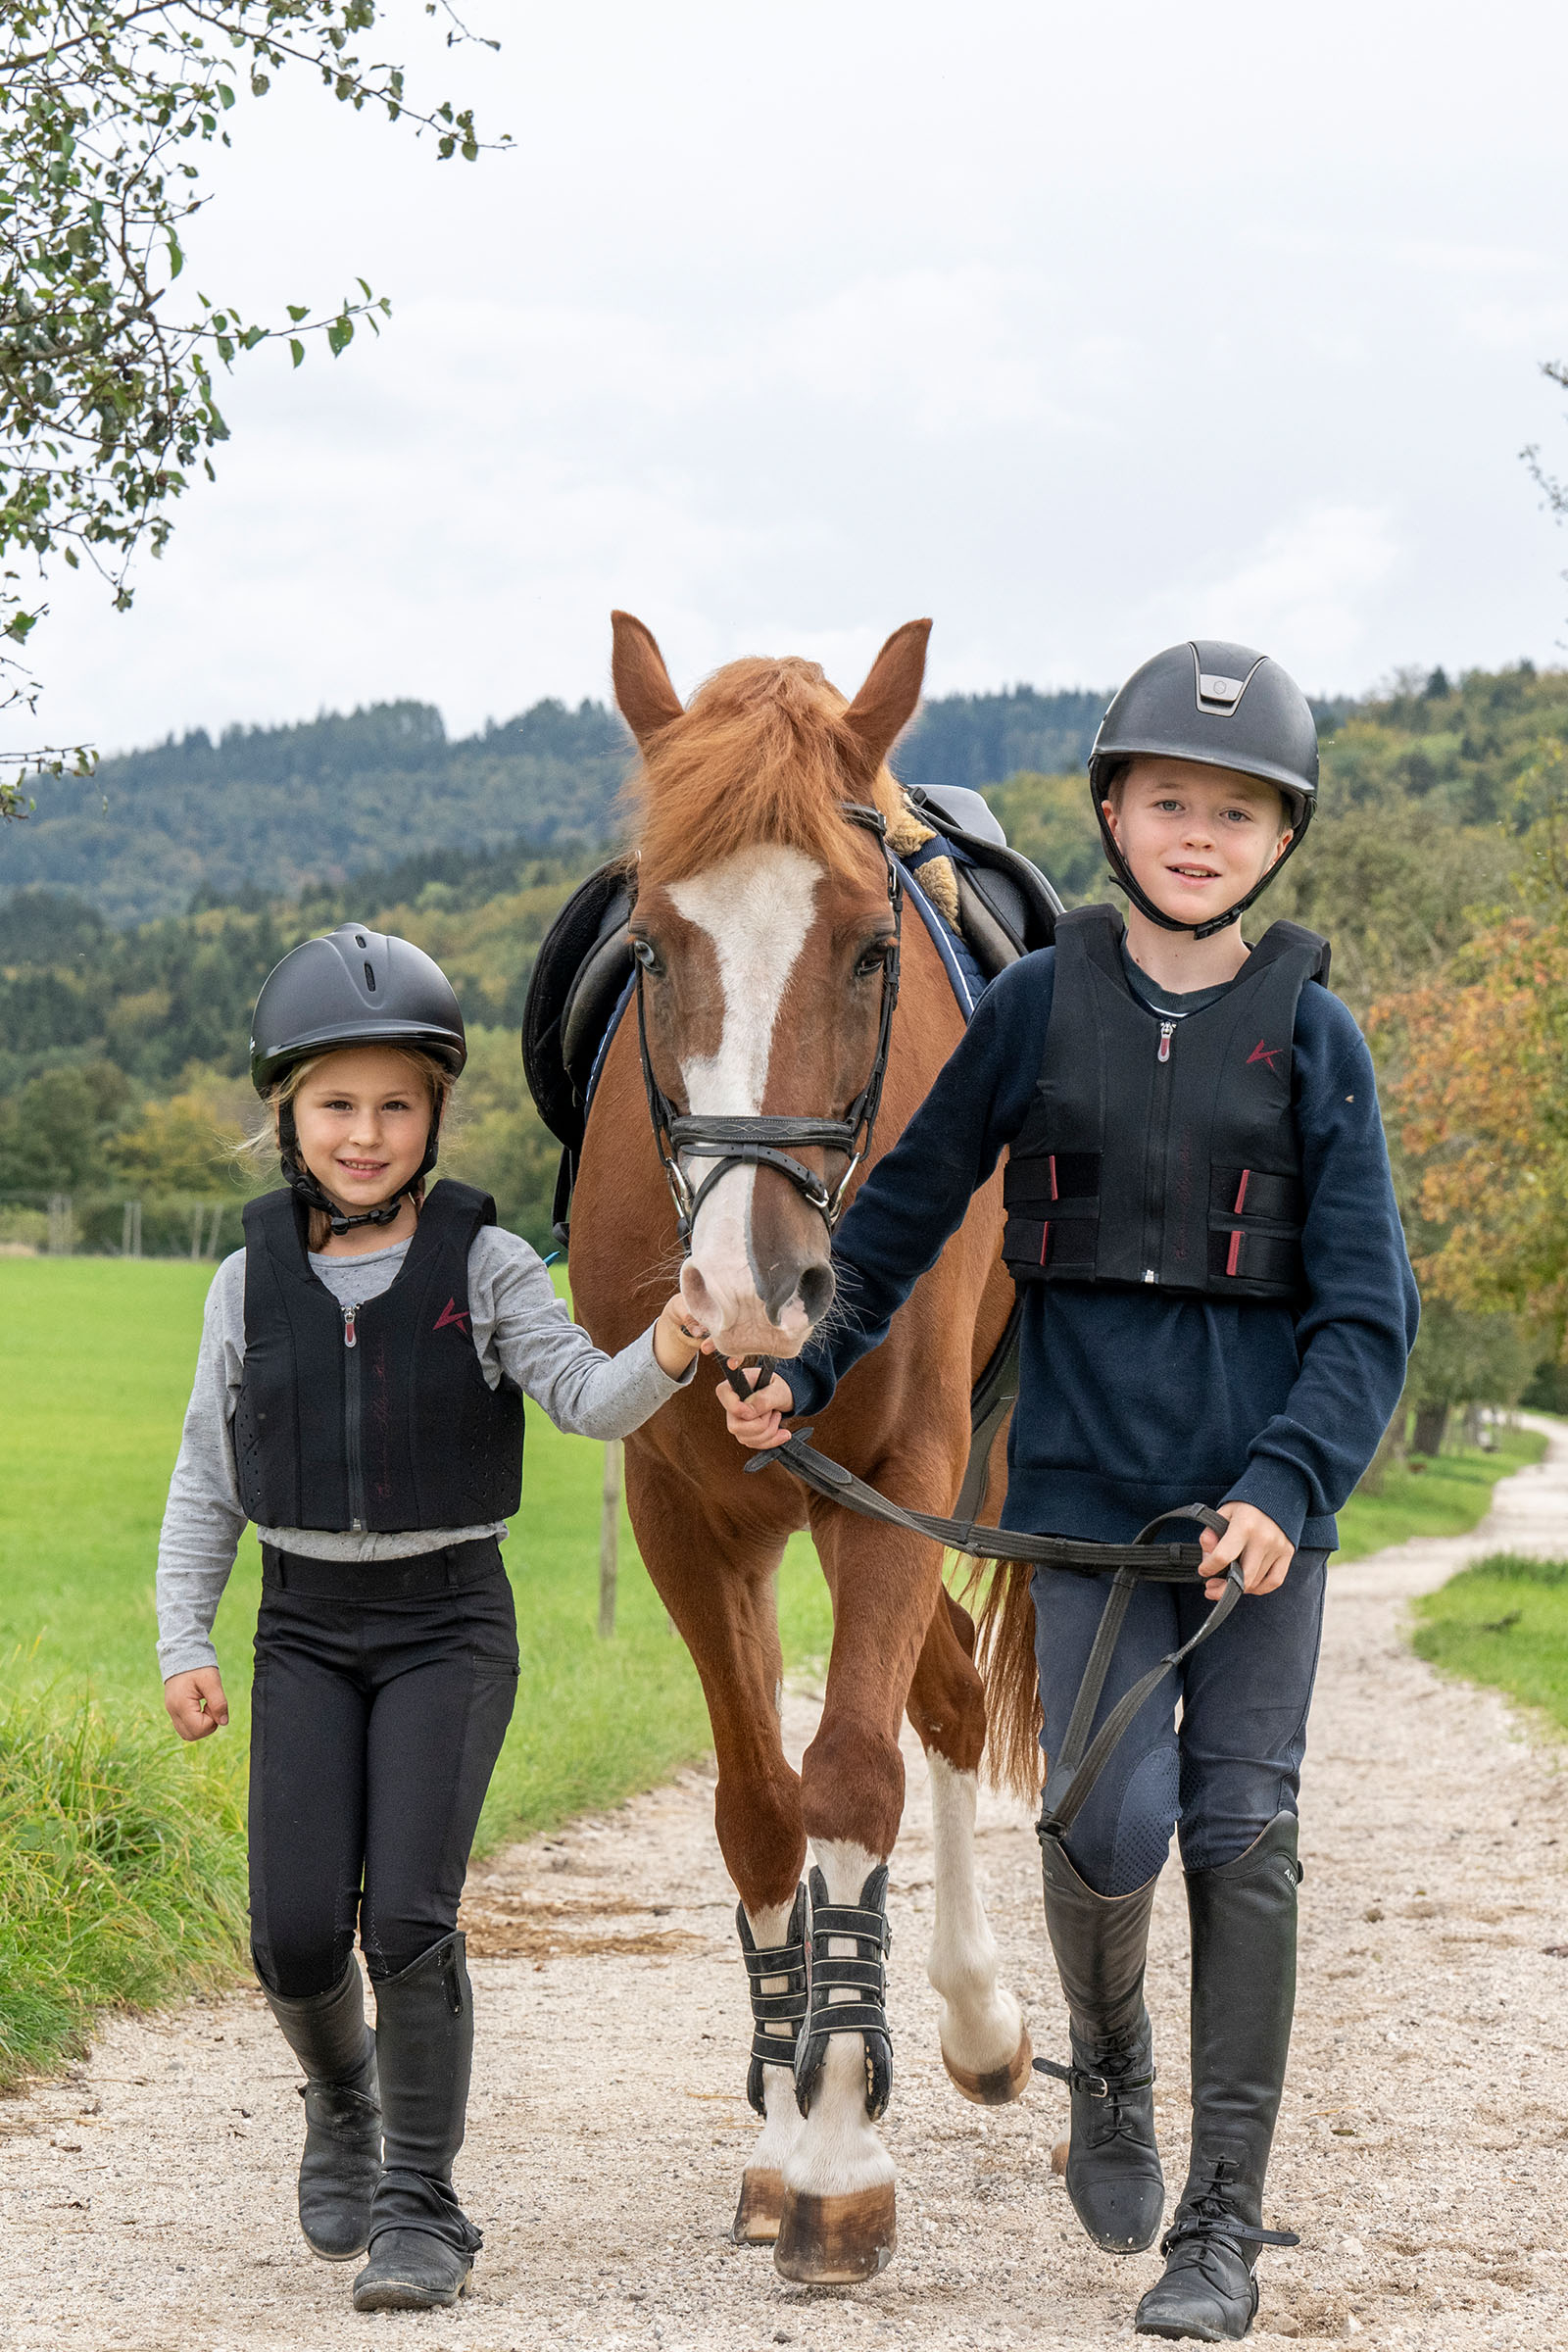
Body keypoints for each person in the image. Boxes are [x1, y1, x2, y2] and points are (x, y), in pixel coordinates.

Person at [716, 642, 1418, 2341]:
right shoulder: (1038, 1004)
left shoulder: (1316, 1040)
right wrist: (800, 1373)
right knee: (1104, 1828)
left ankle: (1223, 2225)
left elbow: (1367, 1313)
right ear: (1112, 810)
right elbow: (889, 1230)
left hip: (1256, 1524)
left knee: (1241, 1837)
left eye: (1234, 811)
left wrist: (1288, 1483)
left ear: (1278, 838)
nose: (1198, 832)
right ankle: (1108, 2064)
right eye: (1170, 799)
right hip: (1087, 1507)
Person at [157, 922, 709, 2313]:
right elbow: (204, 1479)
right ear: (288, 1113)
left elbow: (587, 1399)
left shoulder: (490, 1263)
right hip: (298, 1626)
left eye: (396, 1104)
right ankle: (340, 2100)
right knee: (291, 1930)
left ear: (435, 1114)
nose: (365, 1133)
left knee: (406, 1913)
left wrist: (678, 1349)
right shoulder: (247, 1283)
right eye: (337, 1104)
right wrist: (188, 1641)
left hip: (446, 1624)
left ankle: (422, 2201)